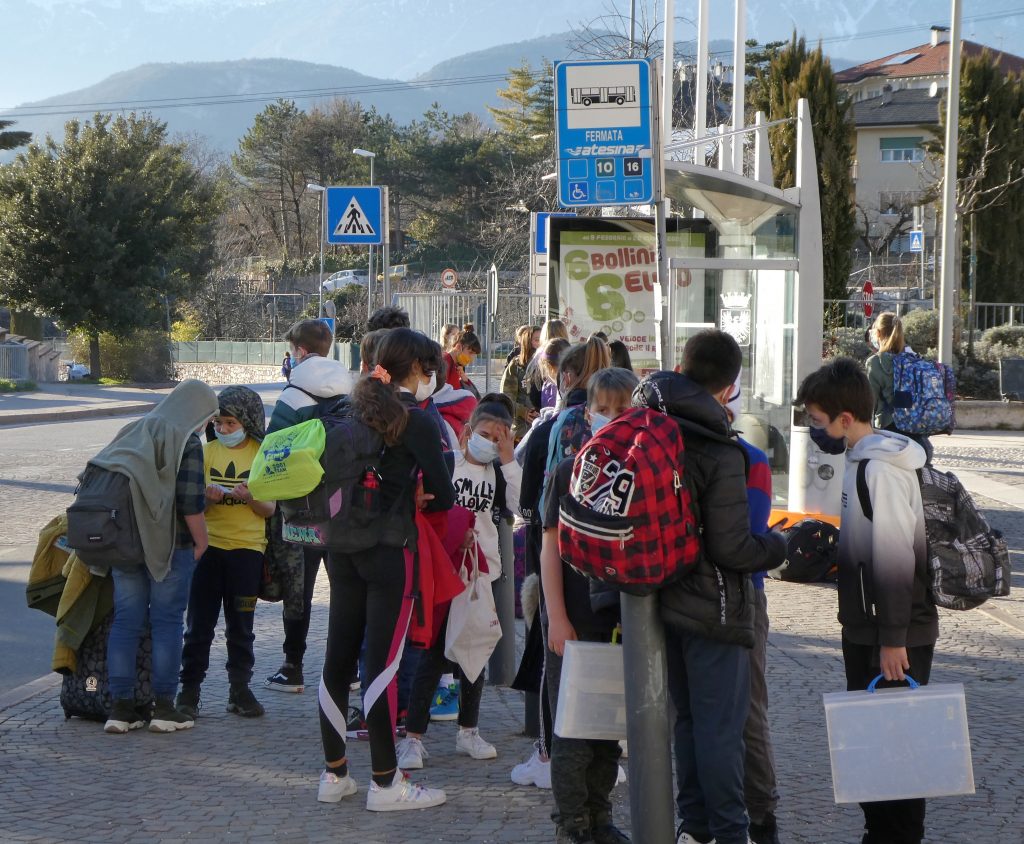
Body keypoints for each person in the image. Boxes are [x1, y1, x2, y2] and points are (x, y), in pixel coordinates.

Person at [633, 330, 785, 844]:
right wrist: (785, 547)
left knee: (688, 722)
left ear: (683, 365)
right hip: (715, 606)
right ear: (729, 387)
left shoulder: (651, 423)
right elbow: (733, 548)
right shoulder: (720, 448)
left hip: (662, 596)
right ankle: (728, 831)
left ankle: (694, 828)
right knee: (721, 729)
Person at [795, 357, 934, 844]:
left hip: (892, 635)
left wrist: (893, 639)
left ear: (845, 420)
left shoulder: (881, 470)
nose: (814, 430)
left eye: (817, 420)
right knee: (877, 749)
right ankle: (879, 832)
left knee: (897, 754)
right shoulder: (862, 462)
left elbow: (896, 556)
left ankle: (894, 836)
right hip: (868, 629)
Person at [317, 328, 456, 811]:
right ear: (414, 369)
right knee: (381, 665)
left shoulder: (349, 410)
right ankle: (384, 783)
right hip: (389, 550)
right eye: (429, 370)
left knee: (337, 659)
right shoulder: (414, 421)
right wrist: (415, 490)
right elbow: (446, 492)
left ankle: (334, 775)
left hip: (341, 548)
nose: (431, 378)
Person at [396, 395, 522, 770]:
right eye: (485, 435)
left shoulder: (499, 472)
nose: (490, 443)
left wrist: (509, 458)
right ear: (467, 432)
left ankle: (469, 730)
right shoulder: (446, 464)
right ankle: (414, 738)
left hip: (480, 575)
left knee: (475, 652)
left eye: (499, 439)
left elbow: (522, 505)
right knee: (433, 654)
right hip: (443, 571)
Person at [541, 367, 637, 844]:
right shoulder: (568, 471)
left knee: (608, 730)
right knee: (574, 731)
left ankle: (600, 816)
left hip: (621, 624)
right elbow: (549, 548)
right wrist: (556, 616)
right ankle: (572, 822)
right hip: (574, 620)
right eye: (605, 410)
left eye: (624, 410)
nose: (613, 419)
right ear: (588, 413)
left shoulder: (643, 476)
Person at [511, 336, 611, 790]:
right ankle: (597, 753)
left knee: (557, 655)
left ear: (566, 376)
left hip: (563, 554)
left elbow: (546, 500)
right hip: (607, 562)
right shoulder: (618, 421)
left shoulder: (565, 420)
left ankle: (552, 754)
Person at [99, 379, 218, 734]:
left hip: (123, 543)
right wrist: (201, 541)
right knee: (167, 621)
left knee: (125, 620)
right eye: (208, 417)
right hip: (170, 545)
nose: (207, 424)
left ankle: (121, 709)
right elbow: (189, 501)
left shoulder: (133, 429)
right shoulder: (186, 440)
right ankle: (165, 708)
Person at [265, 319, 356, 694]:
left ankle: (292, 666)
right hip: (343, 507)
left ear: (299, 351)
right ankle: (349, 670)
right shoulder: (351, 389)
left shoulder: (292, 395)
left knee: (298, 587)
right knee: (345, 588)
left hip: (300, 508)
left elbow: (273, 451)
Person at [178, 387, 275, 720]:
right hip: (209, 549)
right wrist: (207, 499)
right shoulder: (206, 453)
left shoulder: (263, 454)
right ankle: (188, 692)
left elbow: (269, 509)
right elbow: (192, 504)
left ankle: (240, 689)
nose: (223, 430)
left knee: (241, 623)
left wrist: (250, 498)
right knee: (199, 624)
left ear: (247, 422)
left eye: (230, 423)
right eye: (218, 423)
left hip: (247, 553)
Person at [723, 378, 781, 844]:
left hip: (742, 594)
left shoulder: (751, 459)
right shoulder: (752, 459)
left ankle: (760, 811)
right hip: (739, 592)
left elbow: (750, 537)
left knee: (746, 706)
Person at [865, 313, 933, 463]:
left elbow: (869, 404)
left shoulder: (876, 363)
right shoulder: (914, 359)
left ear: (878, 333)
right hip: (919, 439)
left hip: (889, 437)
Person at [501, 324, 540, 441]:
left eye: (542, 340)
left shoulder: (548, 365)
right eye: (536, 340)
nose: (540, 344)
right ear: (528, 342)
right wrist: (524, 412)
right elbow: (506, 397)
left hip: (542, 427)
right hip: (521, 429)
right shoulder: (516, 365)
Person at [443, 324, 482, 395]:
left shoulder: (457, 366)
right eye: (470, 352)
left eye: (474, 355)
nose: (471, 358)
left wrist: (465, 380)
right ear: (458, 347)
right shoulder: (445, 362)